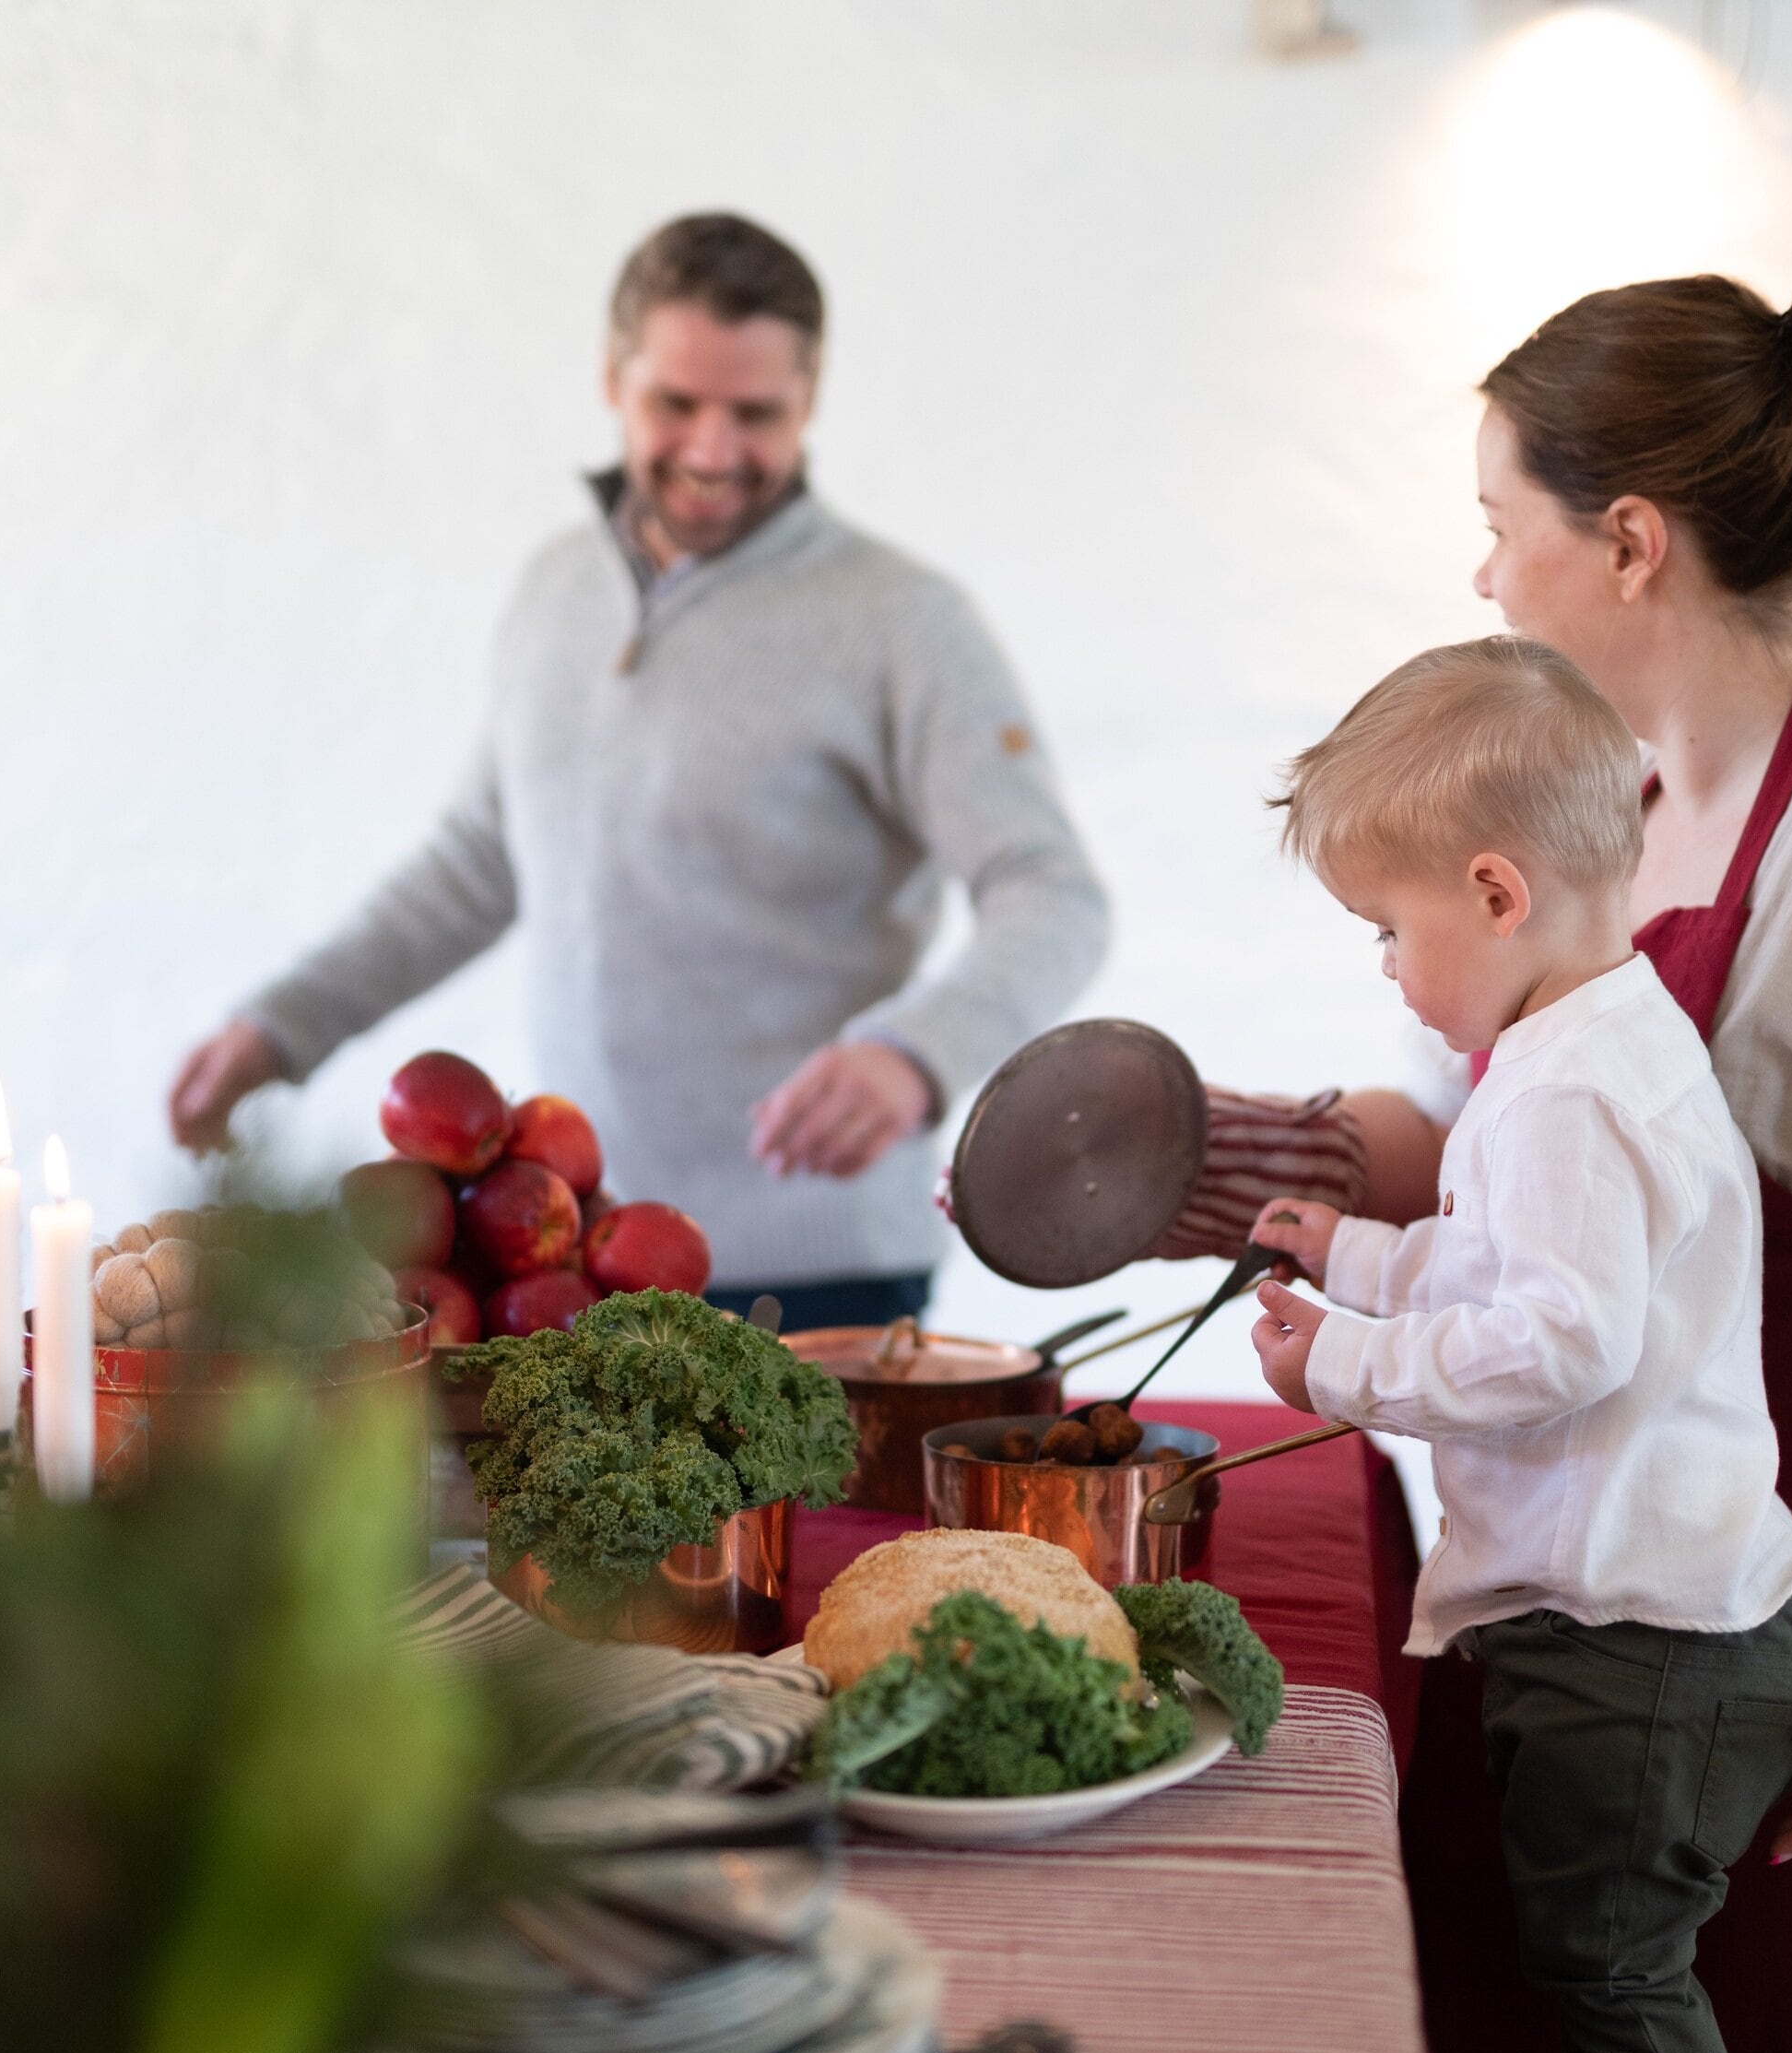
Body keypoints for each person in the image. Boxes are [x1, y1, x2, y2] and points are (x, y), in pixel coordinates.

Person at [1154, 270, 1792, 1857]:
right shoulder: (1602, 798)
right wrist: (1225, 1161)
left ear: (1624, 541)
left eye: (1496, 521)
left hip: (1763, 1648)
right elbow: (1504, 1159)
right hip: (1567, 1602)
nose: (1480, 576)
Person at [168, 213, 1108, 1329]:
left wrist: (913, 1055)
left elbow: (1052, 893)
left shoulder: (904, 621)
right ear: (614, 378)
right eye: (676, 404)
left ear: (810, 400)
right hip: (572, 1262)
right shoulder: (552, 590)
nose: (713, 450)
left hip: (814, 1267)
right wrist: (284, 1025)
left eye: (756, 412)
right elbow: (481, 858)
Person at [1248, 636, 1792, 2053]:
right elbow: (1508, 1261)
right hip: (1626, 1606)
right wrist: (1350, 1247)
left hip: (1646, 1633)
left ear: (1494, 892)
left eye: (1389, 929)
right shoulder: (1586, 1034)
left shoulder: (1569, 1085)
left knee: (1618, 1965)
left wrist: (1337, 1367)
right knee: (1587, 1952)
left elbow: (1555, 1344)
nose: (1387, 973)